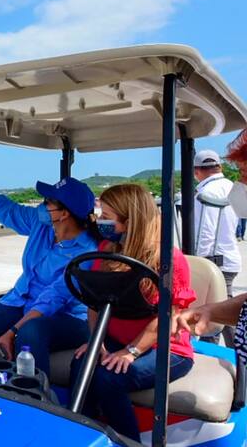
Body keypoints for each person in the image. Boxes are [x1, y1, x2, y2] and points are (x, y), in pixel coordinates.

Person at [0, 159, 99, 377]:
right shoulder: (42, 223)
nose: (42, 205)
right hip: (22, 300)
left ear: (64, 213)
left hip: (66, 315)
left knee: (30, 332)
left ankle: (37, 400)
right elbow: (4, 208)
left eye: (48, 202)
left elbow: (55, 298)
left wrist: (12, 331)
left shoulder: (87, 251)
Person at [70, 184, 195, 442]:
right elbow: (94, 303)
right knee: (82, 364)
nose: (100, 221)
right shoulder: (106, 250)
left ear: (130, 220)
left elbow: (168, 317)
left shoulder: (168, 259)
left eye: (107, 216)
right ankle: (85, 434)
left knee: (109, 377)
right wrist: (98, 342)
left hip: (165, 347)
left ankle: (128, 440)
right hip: (116, 339)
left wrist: (131, 352)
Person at [193, 149, 241, 346]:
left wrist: (199, 263)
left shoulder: (206, 192)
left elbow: (205, 232)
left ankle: (225, 360)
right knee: (226, 313)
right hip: (229, 257)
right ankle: (237, 358)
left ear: (197, 171)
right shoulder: (232, 187)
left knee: (212, 317)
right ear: (219, 167)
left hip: (213, 261)